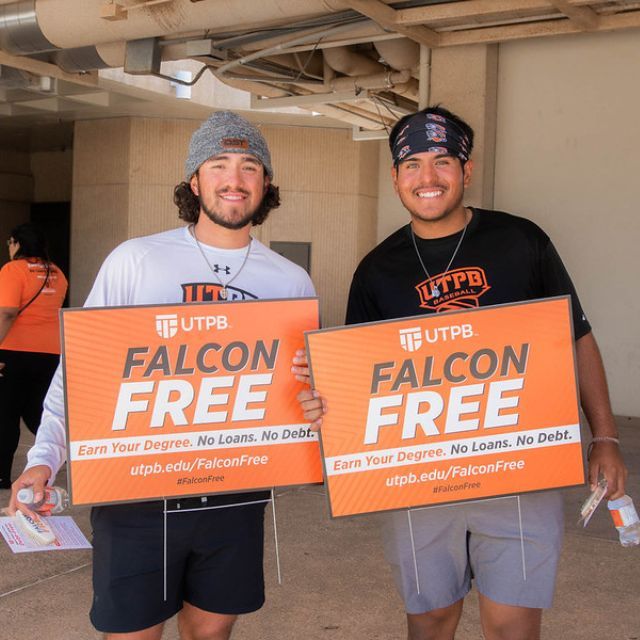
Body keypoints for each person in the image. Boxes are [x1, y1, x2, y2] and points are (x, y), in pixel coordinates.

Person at [295, 105, 627, 640]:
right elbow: (356, 379)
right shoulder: (378, 269)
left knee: (513, 626)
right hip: (417, 472)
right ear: (396, 177)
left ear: (466, 171)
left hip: (520, 463)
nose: (428, 178)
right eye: (413, 165)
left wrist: (605, 436)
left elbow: (577, 336)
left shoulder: (521, 241)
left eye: (443, 161)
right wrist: (324, 404)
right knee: (430, 620)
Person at [9, 111, 316, 640]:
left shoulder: (290, 281)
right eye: (218, 164)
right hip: (136, 491)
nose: (234, 179)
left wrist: (313, 400)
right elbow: (78, 368)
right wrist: (44, 458)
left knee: (210, 631)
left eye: (249, 167)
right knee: (131, 632)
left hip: (234, 490)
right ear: (195, 182)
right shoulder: (137, 260)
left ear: (265, 184)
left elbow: (298, 395)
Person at [0, 223, 67, 489]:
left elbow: (7, 312)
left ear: (16, 243)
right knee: (40, 411)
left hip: (14, 351)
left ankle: (2, 474)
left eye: (9, 242)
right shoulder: (57, 273)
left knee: (5, 414)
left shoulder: (12, 270)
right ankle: (52, 460)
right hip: (51, 353)